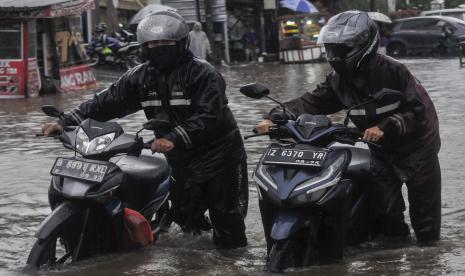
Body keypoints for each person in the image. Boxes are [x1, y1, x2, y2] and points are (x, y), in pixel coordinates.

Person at [42, 10, 248, 249]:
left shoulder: (203, 73)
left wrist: (174, 138)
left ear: (181, 43)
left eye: (166, 43)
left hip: (219, 154)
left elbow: (209, 115)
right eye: (153, 43)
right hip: (180, 157)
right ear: (144, 47)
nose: (160, 48)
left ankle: (232, 261)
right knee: (184, 216)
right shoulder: (139, 77)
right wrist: (65, 121)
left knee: (225, 217)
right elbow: (106, 102)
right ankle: (196, 259)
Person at [255, 10, 441, 244]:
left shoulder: (394, 72)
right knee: (386, 213)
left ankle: (427, 260)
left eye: (342, 49)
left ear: (364, 45)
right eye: (332, 48)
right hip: (380, 150)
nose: (335, 55)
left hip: (417, 149)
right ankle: (393, 255)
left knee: (426, 223)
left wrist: (385, 126)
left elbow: (420, 113)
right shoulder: (337, 80)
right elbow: (310, 101)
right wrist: (274, 117)